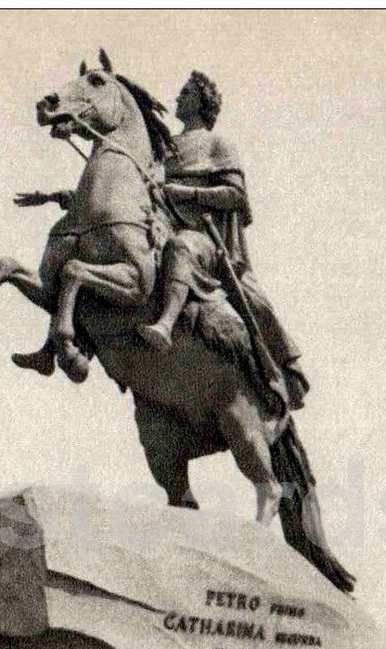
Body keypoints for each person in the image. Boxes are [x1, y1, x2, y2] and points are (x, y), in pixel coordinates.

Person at [138, 71, 308, 408]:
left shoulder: (218, 144)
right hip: (159, 228)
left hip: (203, 240)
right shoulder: (164, 148)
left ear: (202, 101)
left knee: (187, 250)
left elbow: (236, 196)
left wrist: (186, 192)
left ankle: (167, 324)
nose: (177, 98)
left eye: (185, 92)